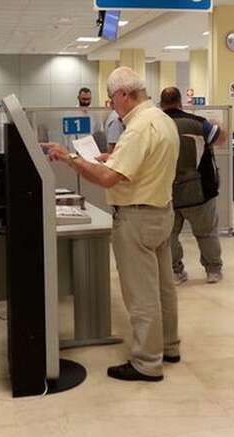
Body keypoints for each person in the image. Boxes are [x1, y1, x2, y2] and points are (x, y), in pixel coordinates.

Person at [43, 67, 180, 382]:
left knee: (140, 295)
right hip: (161, 213)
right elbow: (138, 162)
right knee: (163, 288)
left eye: (112, 98)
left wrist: (69, 158)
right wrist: (108, 158)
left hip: (136, 218)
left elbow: (107, 178)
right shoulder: (161, 120)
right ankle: (170, 347)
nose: (110, 105)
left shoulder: (137, 127)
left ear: (124, 95)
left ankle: (147, 363)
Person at [159, 86, 225, 284]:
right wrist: (217, 124)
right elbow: (220, 138)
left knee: (169, 235)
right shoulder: (199, 124)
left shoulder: (155, 125)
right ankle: (213, 271)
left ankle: (175, 272)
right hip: (200, 191)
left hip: (167, 192)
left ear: (162, 104)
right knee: (206, 233)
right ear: (180, 102)